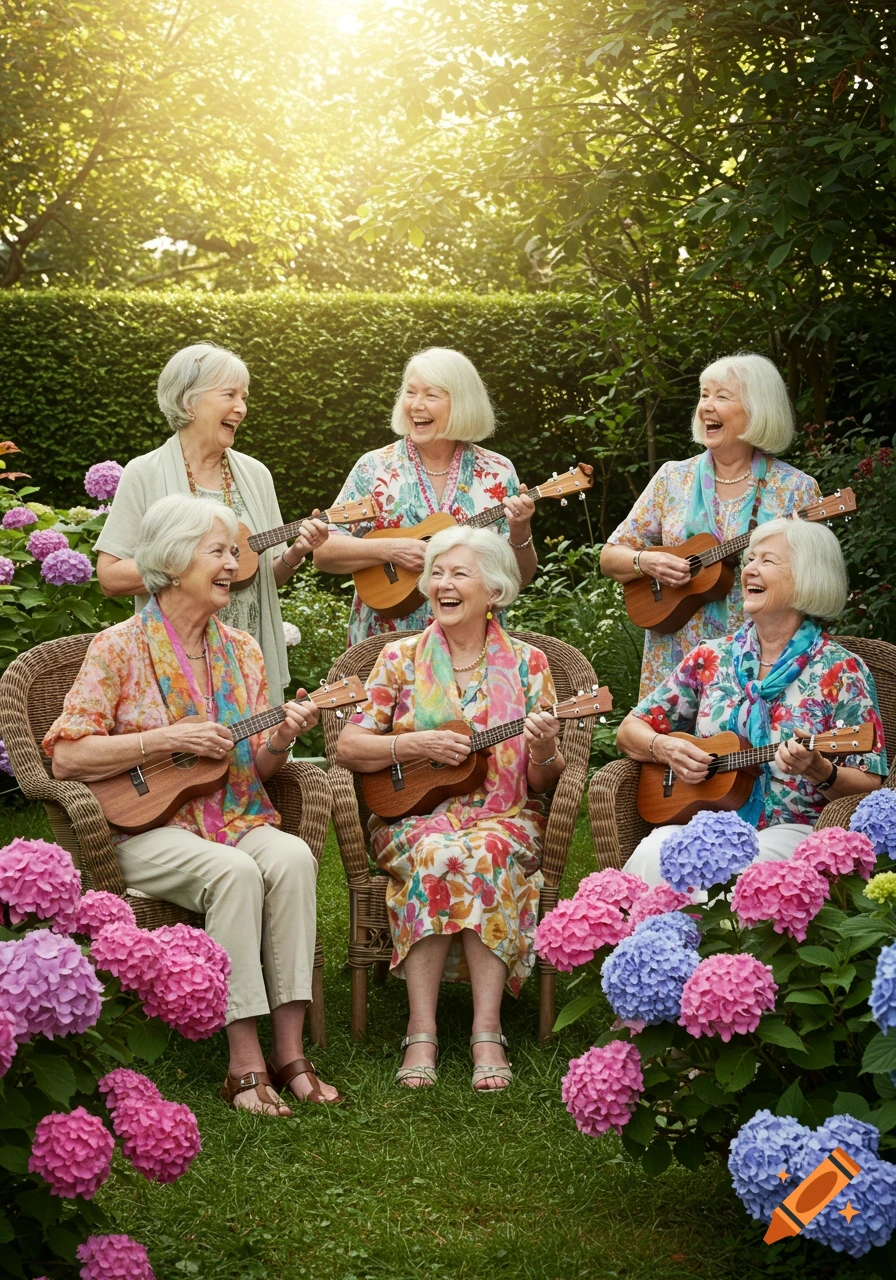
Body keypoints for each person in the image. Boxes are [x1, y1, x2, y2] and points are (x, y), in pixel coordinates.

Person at [45, 495, 342, 1115]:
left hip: (234, 814)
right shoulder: (118, 647)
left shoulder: (243, 650)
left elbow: (257, 767)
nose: (235, 563)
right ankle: (243, 1064)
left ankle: (290, 1053)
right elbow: (67, 757)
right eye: (220, 551)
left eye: (235, 552)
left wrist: (283, 739)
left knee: (290, 859)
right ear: (175, 561)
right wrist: (164, 739)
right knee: (232, 873)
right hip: (146, 826)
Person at [336, 526, 564, 1091]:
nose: (443, 583)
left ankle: (486, 1030)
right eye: (436, 572)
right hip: (408, 817)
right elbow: (348, 746)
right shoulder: (399, 657)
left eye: (459, 573)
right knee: (438, 850)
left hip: (506, 818)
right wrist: (413, 745)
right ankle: (423, 1030)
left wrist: (543, 747)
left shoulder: (530, 665)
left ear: (495, 590)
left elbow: (543, 781)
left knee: (481, 851)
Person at [616, 518, 887, 883]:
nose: (750, 569)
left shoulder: (841, 670)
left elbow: (871, 783)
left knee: (746, 871)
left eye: (768, 561)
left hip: (794, 829)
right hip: (709, 819)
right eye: (751, 559)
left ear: (808, 578)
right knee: (653, 855)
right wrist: (665, 748)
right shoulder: (710, 656)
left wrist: (820, 770)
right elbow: (629, 729)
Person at [95, 342, 327, 697]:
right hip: (172, 659)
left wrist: (295, 553)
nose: (242, 408)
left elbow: (265, 577)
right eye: (230, 394)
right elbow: (110, 577)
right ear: (190, 403)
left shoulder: (256, 475)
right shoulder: (144, 473)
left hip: (248, 658)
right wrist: (190, 562)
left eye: (244, 397)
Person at [600, 353, 821, 697]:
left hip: (760, 663)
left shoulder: (795, 489)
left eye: (722, 396)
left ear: (757, 409)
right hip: (672, 657)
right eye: (704, 395)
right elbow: (610, 556)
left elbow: (814, 586)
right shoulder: (672, 478)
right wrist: (647, 561)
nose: (707, 406)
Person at [313, 346, 538, 645]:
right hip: (384, 642)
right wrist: (390, 551)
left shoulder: (497, 471)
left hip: (472, 644)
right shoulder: (374, 467)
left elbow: (518, 578)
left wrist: (521, 530)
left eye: (431, 395)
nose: (416, 405)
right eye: (410, 392)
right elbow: (323, 551)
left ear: (461, 403)